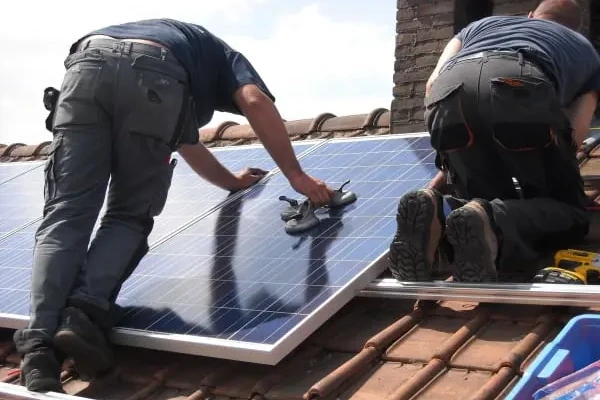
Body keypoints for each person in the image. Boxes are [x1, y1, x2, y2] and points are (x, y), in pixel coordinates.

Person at [14, 19, 333, 392]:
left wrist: (231, 181)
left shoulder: (182, 46)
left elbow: (183, 141)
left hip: (86, 63)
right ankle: (82, 314)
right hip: (156, 74)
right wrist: (297, 176)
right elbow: (254, 101)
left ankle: (38, 349)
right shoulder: (225, 57)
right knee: (128, 214)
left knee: (65, 214)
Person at [388, 0, 600, 284]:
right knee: (568, 211)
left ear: (530, 16)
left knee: (481, 202)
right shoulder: (585, 50)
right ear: (577, 28)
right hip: (518, 83)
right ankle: (493, 221)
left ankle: (437, 211)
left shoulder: (478, 27)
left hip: (447, 93)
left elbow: (431, 83)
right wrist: (556, 165)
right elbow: (575, 131)